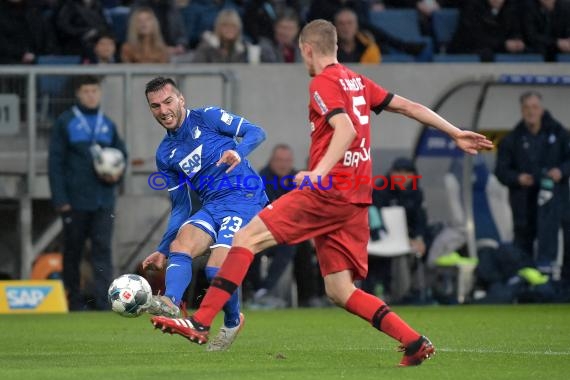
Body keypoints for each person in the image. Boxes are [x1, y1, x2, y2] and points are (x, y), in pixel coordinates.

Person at [150, 19, 492, 366]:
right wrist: (454, 131)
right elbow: (408, 106)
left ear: (307, 50)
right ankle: (414, 341)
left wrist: (318, 173)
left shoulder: (323, 82)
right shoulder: (356, 81)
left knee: (244, 240)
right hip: (357, 198)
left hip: (328, 192)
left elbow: (344, 130)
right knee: (340, 290)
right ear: (338, 47)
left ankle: (200, 321)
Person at [141, 76, 268, 351]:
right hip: (212, 205)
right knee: (181, 244)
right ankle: (171, 302)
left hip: (245, 198)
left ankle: (233, 320)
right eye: (155, 106)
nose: (163, 111)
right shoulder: (165, 154)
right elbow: (181, 206)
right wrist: (162, 250)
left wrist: (238, 150)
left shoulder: (207, 117)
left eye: (168, 101)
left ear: (181, 99)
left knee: (215, 270)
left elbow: (257, 132)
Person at [48, 75, 127, 311]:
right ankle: (74, 301)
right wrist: (60, 198)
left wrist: (117, 176)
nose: (91, 95)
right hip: (75, 201)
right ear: (78, 94)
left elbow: (122, 155)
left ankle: (103, 302)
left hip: (103, 200)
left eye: (95, 91)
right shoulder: (66, 122)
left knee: (103, 250)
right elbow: (55, 163)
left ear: (100, 93)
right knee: (73, 251)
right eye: (86, 91)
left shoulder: (107, 123)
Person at [495, 91, 570, 273]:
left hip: (556, 203)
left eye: (535, 107)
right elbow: (501, 171)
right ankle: (526, 288)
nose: (531, 112)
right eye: (527, 108)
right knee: (523, 246)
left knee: (560, 241)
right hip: (524, 203)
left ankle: (559, 284)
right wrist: (518, 178)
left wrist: (560, 171)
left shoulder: (559, 134)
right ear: (521, 110)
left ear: (541, 109)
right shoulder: (512, 140)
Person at [366, 157, 429, 303]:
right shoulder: (380, 190)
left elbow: (419, 218)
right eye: (398, 172)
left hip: (409, 237)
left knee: (425, 245)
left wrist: (419, 237)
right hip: (379, 236)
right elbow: (374, 216)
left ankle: (413, 291)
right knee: (379, 262)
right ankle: (378, 290)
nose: (403, 177)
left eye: (407, 173)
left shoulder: (416, 193)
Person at [246, 144, 297, 308]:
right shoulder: (261, 178)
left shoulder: (297, 178)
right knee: (251, 248)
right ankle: (256, 291)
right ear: (271, 161)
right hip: (263, 232)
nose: (283, 164)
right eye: (279, 160)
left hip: (289, 234)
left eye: (287, 160)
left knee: (297, 244)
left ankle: (264, 291)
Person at [448, 0, 526, 62]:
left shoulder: (511, 7)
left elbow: (515, 29)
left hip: (497, 51)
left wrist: (517, 41)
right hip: (468, 52)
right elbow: (474, 37)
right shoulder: (471, 5)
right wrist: (504, 45)